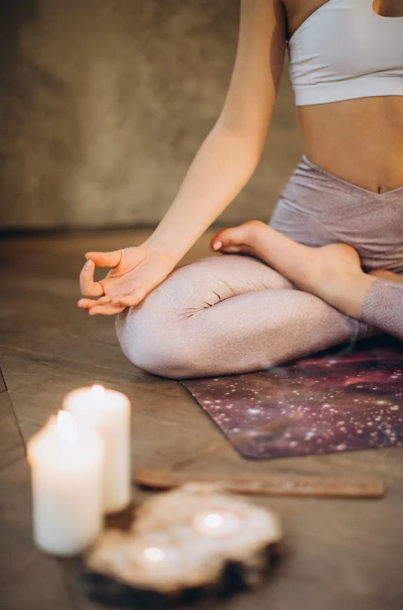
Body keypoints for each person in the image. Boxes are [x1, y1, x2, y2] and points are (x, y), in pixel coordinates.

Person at [78, 0, 403, 379]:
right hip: (313, 233)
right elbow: (238, 132)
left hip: (327, 260)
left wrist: (351, 288)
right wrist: (160, 250)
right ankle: (378, 300)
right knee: (153, 332)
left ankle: (341, 285)